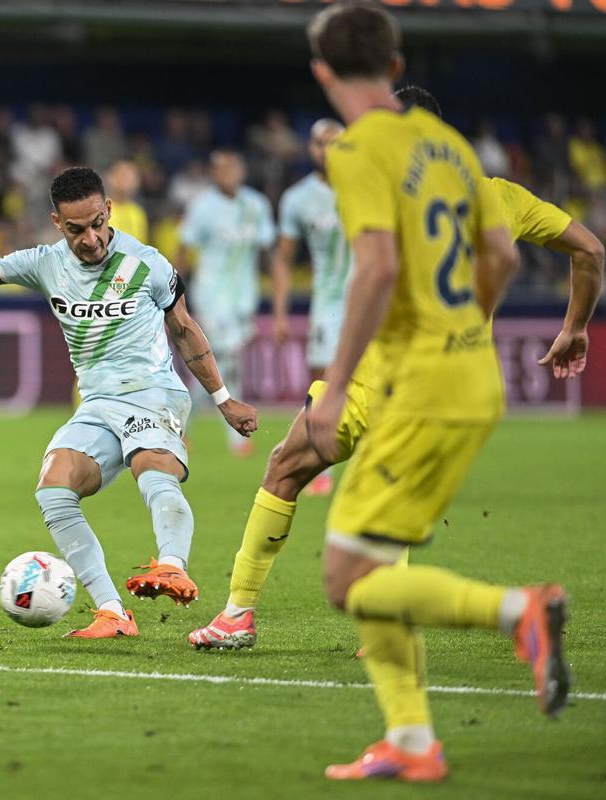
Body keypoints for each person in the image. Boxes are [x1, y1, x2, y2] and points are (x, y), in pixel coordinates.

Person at [190, 83, 603, 653]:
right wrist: (575, 327)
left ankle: (239, 613)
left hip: (383, 371)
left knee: (285, 470)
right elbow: (590, 251)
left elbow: (376, 274)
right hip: (454, 386)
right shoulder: (500, 195)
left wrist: (339, 378)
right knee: (390, 507)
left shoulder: (390, 189)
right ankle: (393, 641)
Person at [295, 3, 574, 781]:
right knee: (373, 565)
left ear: (322, 73)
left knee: (347, 579)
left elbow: (378, 267)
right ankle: (412, 741)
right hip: (473, 376)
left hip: (418, 386)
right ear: (393, 66)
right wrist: (459, 328)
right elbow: (504, 257)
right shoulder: (450, 148)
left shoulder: (359, 149)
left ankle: (519, 612)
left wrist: (336, 386)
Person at [0, 167, 257, 638]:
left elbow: (185, 330)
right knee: (53, 485)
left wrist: (224, 400)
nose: (90, 239)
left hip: (152, 391)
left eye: (96, 224)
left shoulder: (147, 263)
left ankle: (173, 565)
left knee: (150, 465)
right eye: (75, 230)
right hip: (97, 402)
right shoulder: (44, 263)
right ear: (57, 223)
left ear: (108, 210)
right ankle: (112, 612)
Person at [270, 117, 350, 496]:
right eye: (320, 143)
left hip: (372, 304)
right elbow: (283, 259)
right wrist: (280, 313)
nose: (327, 150)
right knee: (323, 388)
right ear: (310, 148)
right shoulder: (297, 199)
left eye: (335, 142)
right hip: (328, 306)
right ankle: (319, 469)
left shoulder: (370, 185)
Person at [179, 150, 274, 457]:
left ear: (242, 171)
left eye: (233, 168)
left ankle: (180, 425)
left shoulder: (256, 205)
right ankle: (238, 437)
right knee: (228, 359)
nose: (229, 174)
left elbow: (267, 252)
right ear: (214, 173)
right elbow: (184, 249)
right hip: (211, 295)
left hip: (243, 297)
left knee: (219, 365)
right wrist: (173, 295)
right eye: (222, 170)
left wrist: (274, 292)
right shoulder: (202, 206)